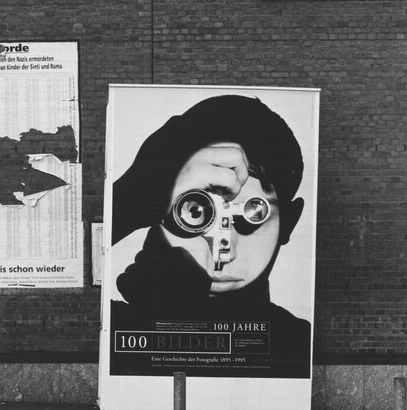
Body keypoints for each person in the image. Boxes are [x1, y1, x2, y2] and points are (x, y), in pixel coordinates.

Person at [110, 94, 310, 377]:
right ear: (157, 210)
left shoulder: (298, 345)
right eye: (196, 212)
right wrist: (133, 196)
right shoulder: (110, 328)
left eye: (253, 214)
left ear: (289, 224)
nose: (223, 251)